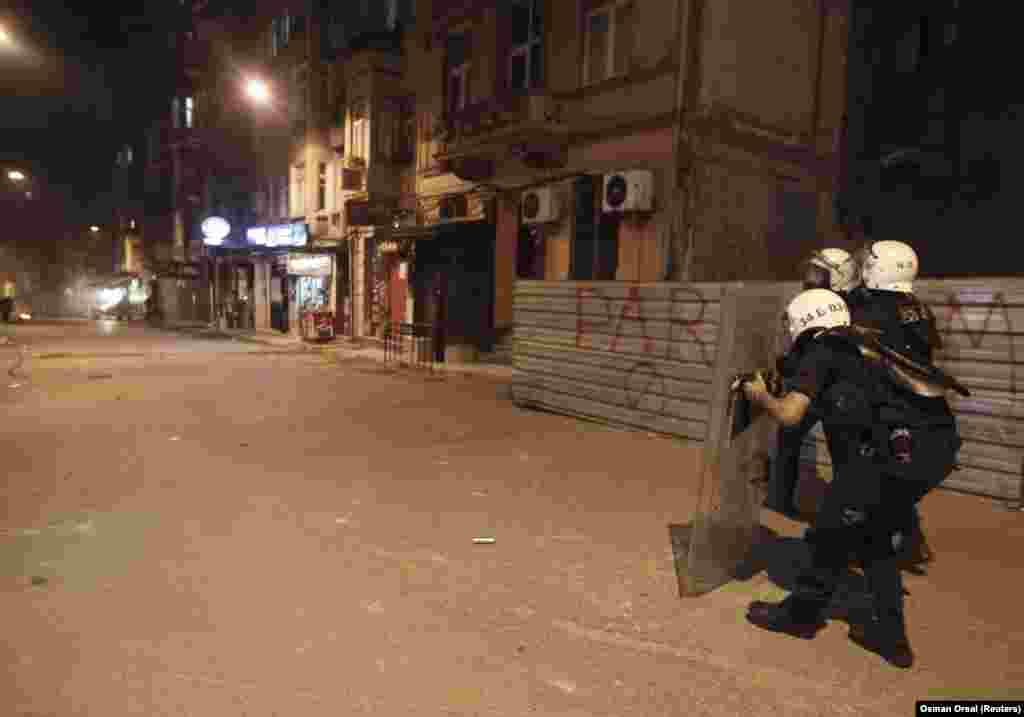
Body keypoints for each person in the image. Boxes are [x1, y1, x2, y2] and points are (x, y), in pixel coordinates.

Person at [741, 288, 961, 668]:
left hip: (884, 458)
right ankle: (892, 639)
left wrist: (760, 396)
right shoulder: (867, 342)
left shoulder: (824, 349)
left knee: (831, 529)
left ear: (803, 323)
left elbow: (792, 415)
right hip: (933, 451)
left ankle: (800, 617)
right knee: (874, 536)